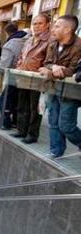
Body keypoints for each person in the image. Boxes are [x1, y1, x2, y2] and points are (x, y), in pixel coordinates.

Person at [40, 15, 81, 157]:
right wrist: (54, 67)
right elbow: (46, 64)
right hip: (52, 87)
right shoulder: (53, 44)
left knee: (66, 126)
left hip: (71, 92)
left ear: (68, 29)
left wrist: (54, 71)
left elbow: (74, 71)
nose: (53, 29)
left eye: (57, 26)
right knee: (53, 122)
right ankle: (56, 151)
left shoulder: (79, 46)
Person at [11, 14, 51, 143]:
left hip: (37, 80)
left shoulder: (50, 41)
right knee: (22, 106)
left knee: (35, 108)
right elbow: (21, 57)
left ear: (47, 25)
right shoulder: (29, 40)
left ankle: (32, 134)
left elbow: (49, 62)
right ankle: (21, 130)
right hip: (24, 77)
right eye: (34, 23)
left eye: (40, 23)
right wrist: (18, 67)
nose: (36, 26)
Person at [0, 22, 28, 130]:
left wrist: (0, 70)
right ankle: (17, 123)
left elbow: (5, 63)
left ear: (7, 33)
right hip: (26, 76)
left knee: (4, 100)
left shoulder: (10, 44)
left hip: (13, 76)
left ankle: (6, 123)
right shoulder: (28, 39)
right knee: (18, 101)